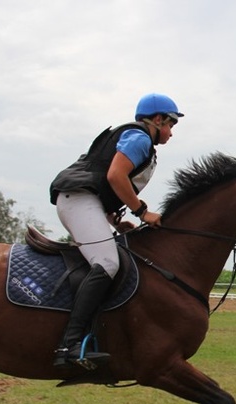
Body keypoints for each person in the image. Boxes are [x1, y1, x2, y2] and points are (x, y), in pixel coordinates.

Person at [49, 93, 183, 367]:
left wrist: (113, 219)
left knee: (110, 259)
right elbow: (115, 176)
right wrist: (142, 211)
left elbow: (106, 185)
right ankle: (69, 346)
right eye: (170, 125)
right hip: (78, 200)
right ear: (157, 120)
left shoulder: (139, 140)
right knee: (108, 262)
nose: (171, 132)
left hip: (86, 202)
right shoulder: (141, 138)